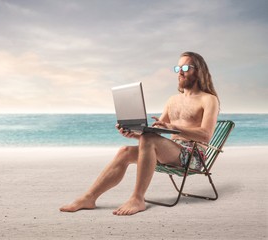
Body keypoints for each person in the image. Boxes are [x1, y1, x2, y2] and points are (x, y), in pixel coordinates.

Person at [60, 51, 220, 216]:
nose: (180, 72)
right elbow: (157, 132)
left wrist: (174, 129)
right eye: (177, 68)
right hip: (173, 151)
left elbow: (206, 135)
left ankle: (138, 198)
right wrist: (136, 134)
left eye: (185, 67)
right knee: (125, 151)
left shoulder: (208, 99)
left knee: (148, 138)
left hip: (193, 155)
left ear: (199, 70)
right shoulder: (172, 100)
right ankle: (89, 198)